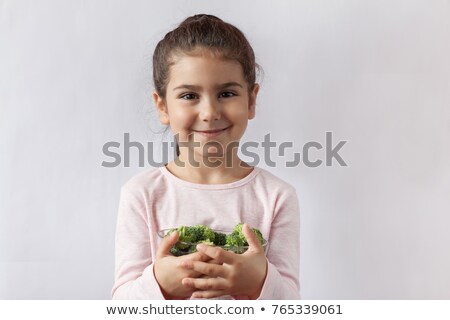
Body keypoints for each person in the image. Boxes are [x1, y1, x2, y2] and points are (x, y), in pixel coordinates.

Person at [111, 14, 300, 300]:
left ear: (251, 100)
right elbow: (121, 306)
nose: (210, 113)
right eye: (189, 96)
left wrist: (258, 281)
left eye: (226, 93)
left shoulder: (277, 197)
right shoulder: (142, 195)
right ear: (162, 106)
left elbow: (292, 305)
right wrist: (159, 284)